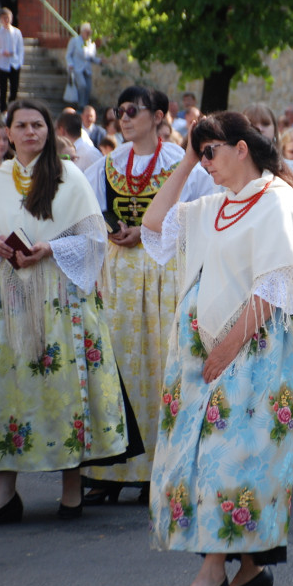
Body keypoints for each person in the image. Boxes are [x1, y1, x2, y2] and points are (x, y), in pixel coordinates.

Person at [140, 111, 293, 586]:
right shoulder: (213, 204)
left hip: (255, 349)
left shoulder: (275, 198)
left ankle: (211, 573)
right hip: (206, 349)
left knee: (234, 459)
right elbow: (154, 225)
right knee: (201, 455)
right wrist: (185, 159)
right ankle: (250, 569)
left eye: (211, 152)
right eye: (200, 153)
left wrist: (225, 349)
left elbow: (275, 284)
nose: (206, 163)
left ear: (241, 148)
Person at [0, 99, 141, 525]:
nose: (29, 132)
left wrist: (51, 248)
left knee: (62, 389)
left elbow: (95, 241)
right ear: (8, 133)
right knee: (3, 389)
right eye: (21, 125)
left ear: (48, 130)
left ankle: (71, 488)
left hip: (59, 296)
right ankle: (5, 493)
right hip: (7, 298)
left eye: (37, 125)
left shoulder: (70, 177)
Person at [80, 87, 183, 505]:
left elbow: (196, 213)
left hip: (162, 270)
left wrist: (150, 230)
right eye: (118, 111)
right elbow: (87, 211)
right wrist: (109, 230)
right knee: (115, 363)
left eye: (131, 111)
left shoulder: (180, 163)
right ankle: (109, 468)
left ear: (157, 115)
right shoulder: (107, 164)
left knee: (159, 365)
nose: (123, 118)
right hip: (119, 274)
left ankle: (154, 470)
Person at [0, 7, 23, 114]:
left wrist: (19, 62)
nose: (6, 20)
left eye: (8, 17)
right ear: (1, 19)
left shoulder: (17, 32)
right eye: (4, 18)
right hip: (2, 63)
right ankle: (3, 110)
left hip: (14, 63)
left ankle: (12, 107)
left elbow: (20, 48)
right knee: (3, 89)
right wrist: (1, 52)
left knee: (14, 88)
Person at [66, 23, 102, 108]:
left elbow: (91, 58)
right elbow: (68, 55)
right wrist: (70, 64)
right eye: (86, 32)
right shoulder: (75, 41)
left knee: (88, 88)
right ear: (82, 32)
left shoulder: (91, 43)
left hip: (87, 69)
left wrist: (100, 61)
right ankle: (81, 105)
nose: (88, 34)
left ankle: (85, 105)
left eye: (89, 32)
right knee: (82, 85)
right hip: (77, 68)